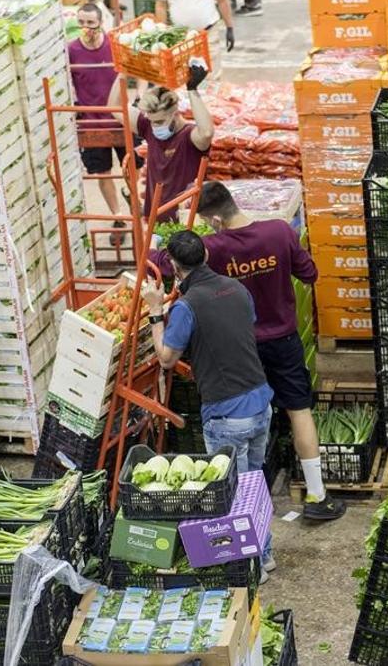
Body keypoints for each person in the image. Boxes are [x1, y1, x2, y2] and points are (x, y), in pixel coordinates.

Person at [150, 181, 345, 521]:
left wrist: (151, 250)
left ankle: (251, 506)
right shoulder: (280, 232)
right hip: (284, 339)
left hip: (241, 347)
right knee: (299, 410)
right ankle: (317, 495)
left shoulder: (211, 248)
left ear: (213, 221)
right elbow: (310, 273)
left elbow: (166, 264)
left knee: (252, 416)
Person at [141, 231, 276, 578]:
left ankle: (251, 566)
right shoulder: (236, 288)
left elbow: (167, 358)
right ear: (205, 256)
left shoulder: (188, 306)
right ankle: (265, 553)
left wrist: (156, 312)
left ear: (173, 266)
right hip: (261, 404)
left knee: (232, 494)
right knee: (253, 485)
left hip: (227, 414)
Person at [109, 64, 214, 223]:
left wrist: (192, 89)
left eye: (159, 121)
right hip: (156, 218)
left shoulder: (189, 137)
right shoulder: (148, 127)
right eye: (152, 121)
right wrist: (123, 71)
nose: (155, 126)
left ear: (175, 113)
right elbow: (115, 107)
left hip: (188, 221)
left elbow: (206, 132)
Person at [68, 2, 142, 215]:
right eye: (81, 22)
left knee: (134, 166)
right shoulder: (72, 51)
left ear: (101, 23)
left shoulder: (115, 45)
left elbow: (138, 69)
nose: (86, 27)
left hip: (120, 118)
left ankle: (133, 202)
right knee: (102, 172)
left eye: (90, 22)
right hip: (92, 122)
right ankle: (117, 215)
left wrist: (139, 94)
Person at [151, 0, 235, 78]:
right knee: (185, 76)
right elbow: (161, 5)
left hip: (208, 32)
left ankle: (213, 90)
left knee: (213, 73)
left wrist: (229, 27)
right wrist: (162, 35)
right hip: (181, 37)